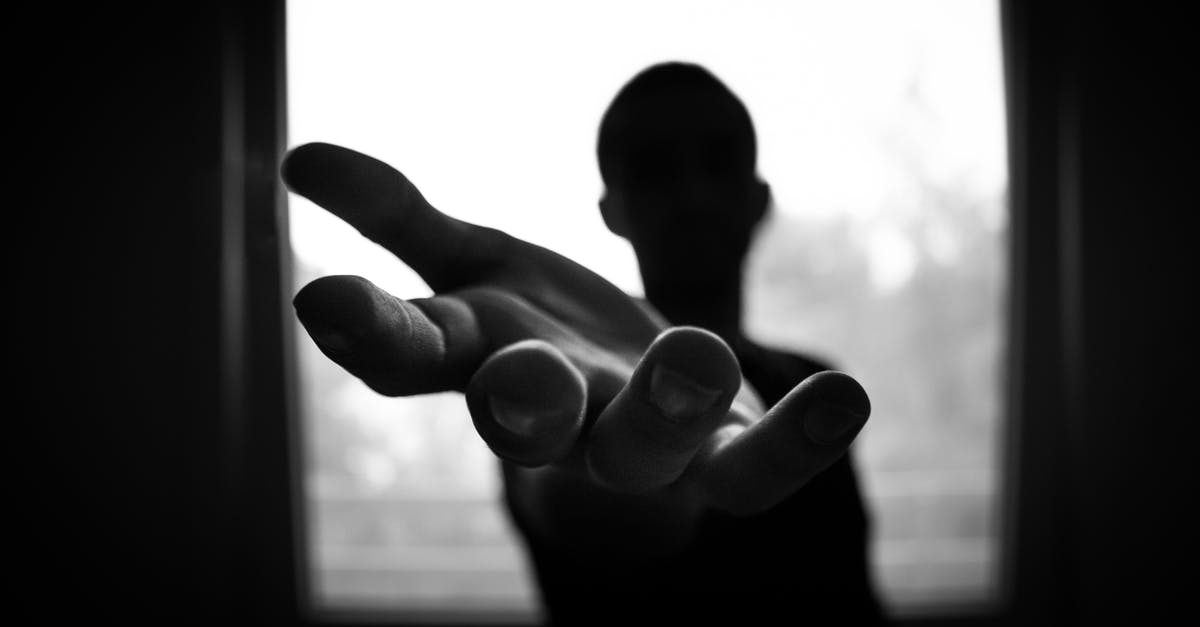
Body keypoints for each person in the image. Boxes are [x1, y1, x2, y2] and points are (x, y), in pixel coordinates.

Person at [282, 61, 883, 625]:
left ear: (758, 200)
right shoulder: (570, 388)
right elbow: (583, 511)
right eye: (654, 167)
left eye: (718, 160)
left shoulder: (810, 384)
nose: (692, 192)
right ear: (612, 210)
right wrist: (622, 473)